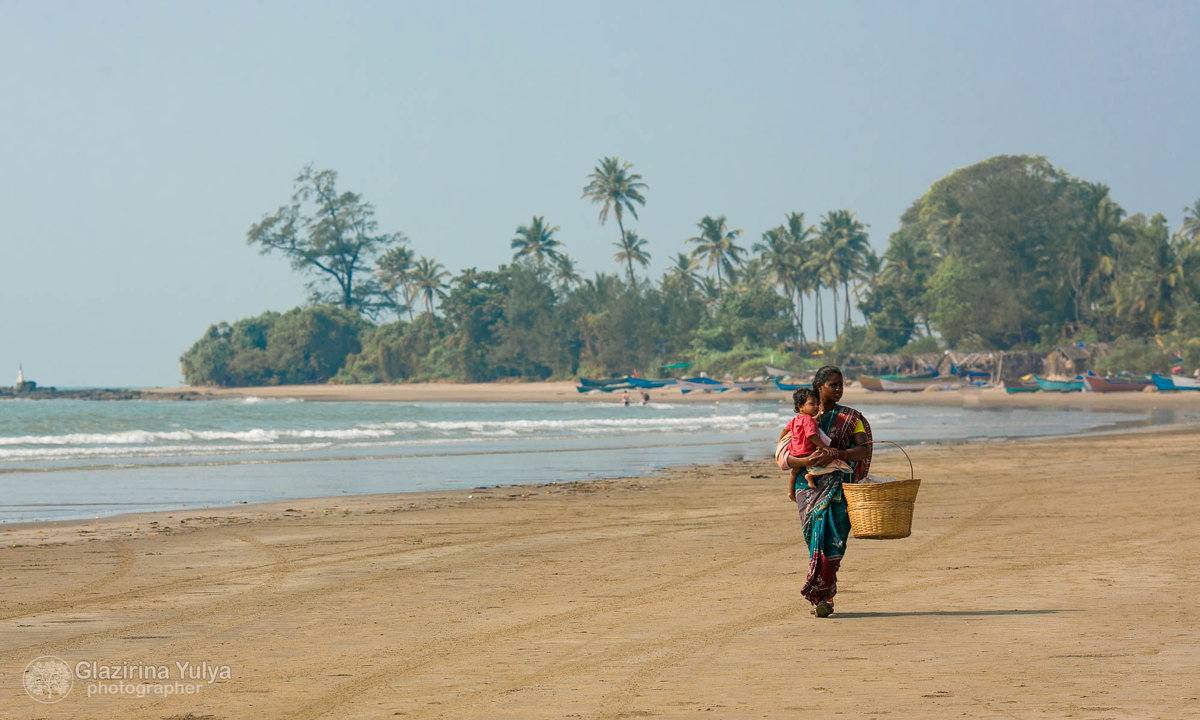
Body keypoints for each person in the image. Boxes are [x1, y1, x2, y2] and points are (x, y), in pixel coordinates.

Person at [779, 365, 872, 618]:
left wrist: (837, 454)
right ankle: (822, 596)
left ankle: (825, 597)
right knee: (814, 538)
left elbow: (863, 450)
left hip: (840, 487)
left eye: (841, 384)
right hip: (807, 487)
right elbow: (783, 455)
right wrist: (808, 461)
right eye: (833, 385)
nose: (839, 389)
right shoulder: (800, 420)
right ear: (819, 388)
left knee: (835, 541)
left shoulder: (852, 419)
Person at [785, 387, 851, 491]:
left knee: (794, 471)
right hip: (807, 452)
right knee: (821, 459)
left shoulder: (795, 419)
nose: (816, 407)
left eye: (817, 404)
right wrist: (825, 447)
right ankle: (811, 476)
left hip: (795, 452)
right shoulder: (808, 419)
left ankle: (790, 491)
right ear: (800, 407)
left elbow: (786, 429)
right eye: (812, 404)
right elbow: (811, 435)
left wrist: (780, 440)